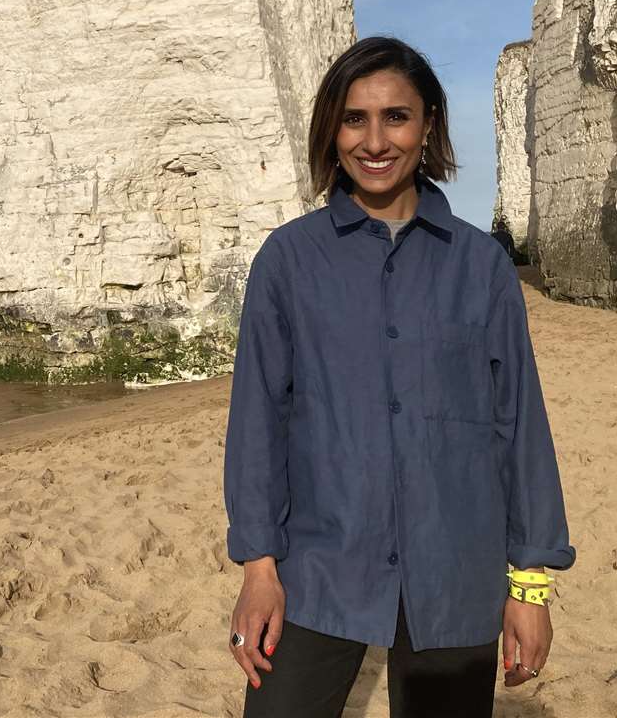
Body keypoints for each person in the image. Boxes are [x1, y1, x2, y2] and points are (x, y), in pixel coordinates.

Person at [223, 36, 575, 718]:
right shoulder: (288, 262)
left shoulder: (481, 267)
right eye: (355, 118)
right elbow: (258, 423)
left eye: (396, 117)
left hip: (455, 570)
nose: (374, 140)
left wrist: (529, 590)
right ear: (333, 128)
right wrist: (259, 567)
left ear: (429, 125)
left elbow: (519, 426)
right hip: (319, 568)